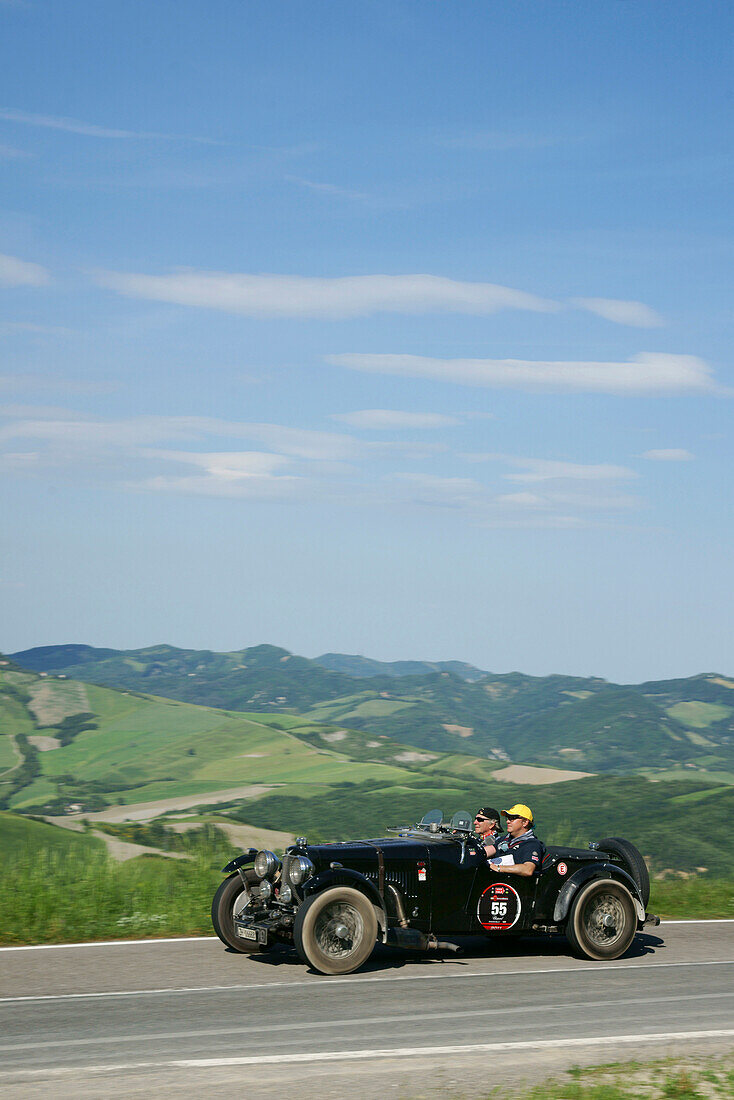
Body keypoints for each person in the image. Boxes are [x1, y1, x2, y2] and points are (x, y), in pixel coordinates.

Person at [484, 803, 544, 877]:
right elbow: (485, 852)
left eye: (512, 818)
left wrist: (498, 868)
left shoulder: (532, 844)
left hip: (515, 885)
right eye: (507, 818)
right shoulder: (504, 839)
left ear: (525, 822)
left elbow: (528, 869)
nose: (508, 821)